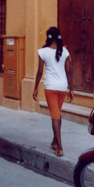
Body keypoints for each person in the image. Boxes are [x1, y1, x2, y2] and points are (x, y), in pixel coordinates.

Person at [32, 26, 73, 158]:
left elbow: (39, 72)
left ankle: (60, 147)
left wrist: (35, 88)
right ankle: (55, 141)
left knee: (55, 115)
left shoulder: (43, 52)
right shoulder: (65, 51)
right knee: (57, 114)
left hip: (50, 86)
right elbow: (69, 71)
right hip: (62, 86)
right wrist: (71, 88)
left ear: (48, 36)